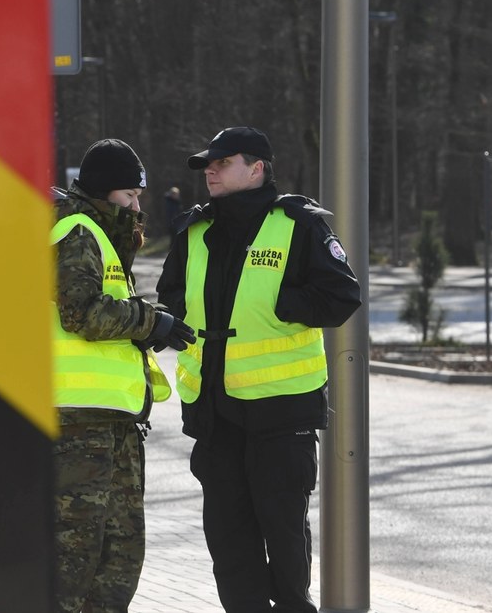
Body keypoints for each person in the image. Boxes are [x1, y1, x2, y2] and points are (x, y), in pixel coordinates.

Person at [155, 127, 361, 613]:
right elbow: (171, 295)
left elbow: (341, 296)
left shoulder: (298, 225)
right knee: (228, 543)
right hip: (214, 412)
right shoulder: (195, 230)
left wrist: (280, 305)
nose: (210, 170)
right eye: (209, 164)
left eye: (223, 163)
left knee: (284, 539)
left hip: (281, 413)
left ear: (257, 168)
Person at [52, 138, 196, 613]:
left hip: (114, 424)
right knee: (73, 563)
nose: (137, 208)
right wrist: (152, 322)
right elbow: (83, 313)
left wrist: (146, 324)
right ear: (102, 191)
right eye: (129, 196)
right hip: (76, 425)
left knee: (120, 558)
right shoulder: (76, 230)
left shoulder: (102, 234)